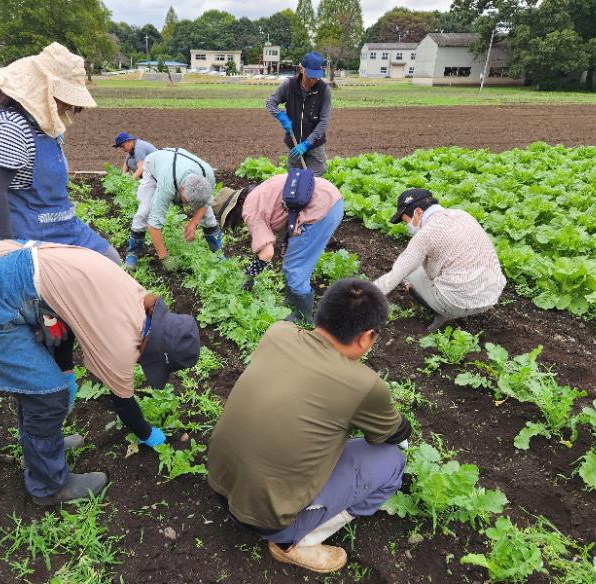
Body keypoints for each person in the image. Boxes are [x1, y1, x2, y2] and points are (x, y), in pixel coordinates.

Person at [0, 240, 200, 506]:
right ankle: (49, 486)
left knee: (39, 385)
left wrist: (66, 370)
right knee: (48, 395)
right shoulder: (123, 342)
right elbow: (123, 403)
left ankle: (43, 448)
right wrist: (147, 433)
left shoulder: (135, 296)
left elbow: (62, 315)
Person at [208, 279, 410, 574]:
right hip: (265, 518)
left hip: (219, 482)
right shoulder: (364, 384)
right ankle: (294, 542)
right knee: (392, 461)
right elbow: (395, 433)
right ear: (366, 337)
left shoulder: (278, 332)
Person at [0, 42, 121, 266]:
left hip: (58, 222)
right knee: (43, 293)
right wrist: (8, 248)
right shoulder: (11, 126)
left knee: (109, 261)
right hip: (23, 227)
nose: (69, 107)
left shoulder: (44, 122)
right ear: (45, 89)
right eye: (66, 99)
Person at [213, 170, 344, 323]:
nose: (237, 223)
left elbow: (267, 253)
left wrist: (249, 276)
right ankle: (292, 302)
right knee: (293, 259)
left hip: (320, 210)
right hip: (332, 199)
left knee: (295, 267)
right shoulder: (259, 192)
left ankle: (302, 318)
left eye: (230, 218)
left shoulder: (249, 209)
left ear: (236, 207)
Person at [375, 188, 507, 332]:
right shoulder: (463, 215)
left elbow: (397, 274)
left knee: (410, 273)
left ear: (418, 212)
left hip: (460, 302)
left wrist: (365, 294)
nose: (409, 226)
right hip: (492, 294)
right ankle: (452, 302)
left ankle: (443, 312)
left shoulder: (426, 234)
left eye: (407, 221)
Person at [125, 147, 222, 271]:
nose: (188, 207)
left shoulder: (207, 175)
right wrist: (164, 257)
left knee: (208, 216)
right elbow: (154, 225)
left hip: (177, 163)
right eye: (187, 202)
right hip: (153, 166)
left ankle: (218, 254)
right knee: (144, 212)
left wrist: (193, 223)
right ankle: (132, 253)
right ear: (181, 190)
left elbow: (205, 203)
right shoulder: (167, 185)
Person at [265, 51, 332, 176]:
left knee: (315, 180)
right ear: (302, 69)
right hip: (294, 142)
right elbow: (270, 103)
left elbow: (324, 121)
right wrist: (281, 116)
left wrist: (308, 143)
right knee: (295, 179)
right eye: (310, 76)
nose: (314, 81)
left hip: (315, 145)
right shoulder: (289, 85)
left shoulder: (324, 90)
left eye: (317, 77)